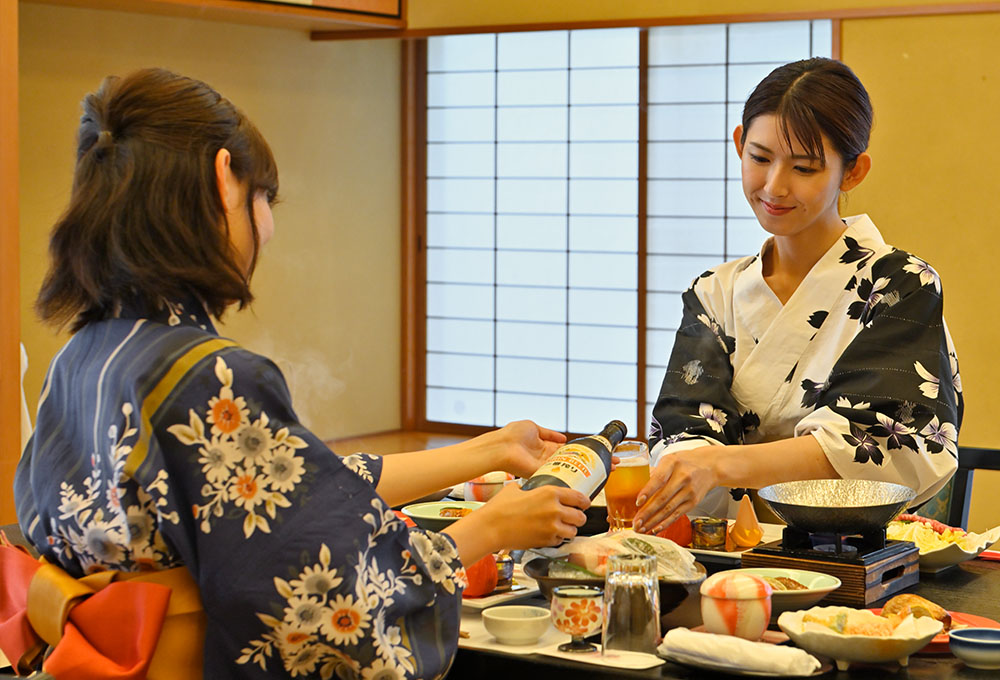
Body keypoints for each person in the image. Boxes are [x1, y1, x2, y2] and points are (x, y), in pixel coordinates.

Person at [11, 68, 589, 679]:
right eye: (263, 198)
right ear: (224, 180)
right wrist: (489, 527)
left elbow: (295, 494)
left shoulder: (81, 358)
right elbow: (332, 609)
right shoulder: (211, 379)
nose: (267, 226)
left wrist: (489, 449)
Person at [633, 57, 962, 535]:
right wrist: (693, 469)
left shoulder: (901, 285)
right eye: (760, 158)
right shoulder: (714, 293)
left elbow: (881, 439)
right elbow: (684, 430)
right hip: (730, 548)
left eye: (804, 167)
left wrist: (720, 465)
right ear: (738, 144)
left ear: (853, 172)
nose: (774, 187)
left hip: (857, 551)